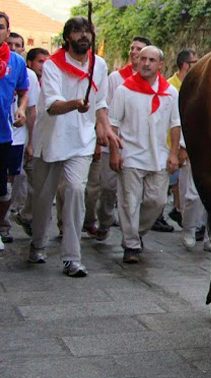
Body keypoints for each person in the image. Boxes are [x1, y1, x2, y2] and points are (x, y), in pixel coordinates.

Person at [29, 16, 119, 277]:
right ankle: (37, 244)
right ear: (67, 37)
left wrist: (103, 126)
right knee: (43, 199)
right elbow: (53, 104)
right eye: (77, 31)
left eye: (87, 31)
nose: (83, 36)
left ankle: (72, 258)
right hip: (51, 139)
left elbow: (101, 101)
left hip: (81, 141)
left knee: (75, 190)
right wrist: (76, 104)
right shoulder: (52, 66)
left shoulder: (98, 65)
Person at [109, 45, 180, 264]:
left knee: (157, 201)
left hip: (158, 156)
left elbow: (175, 124)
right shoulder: (124, 90)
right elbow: (113, 124)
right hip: (130, 155)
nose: (146, 63)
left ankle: (136, 232)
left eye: (151, 60)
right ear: (137, 62)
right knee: (129, 201)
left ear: (160, 64)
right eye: (142, 59)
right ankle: (131, 245)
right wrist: (115, 152)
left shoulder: (170, 92)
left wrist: (174, 153)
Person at [84, 35, 152, 241]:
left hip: (136, 145)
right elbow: (105, 109)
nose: (134, 52)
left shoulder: (154, 83)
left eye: (139, 49)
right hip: (114, 140)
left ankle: (132, 232)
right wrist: (103, 136)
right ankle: (104, 221)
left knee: (135, 193)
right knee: (107, 186)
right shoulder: (116, 78)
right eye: (132, 48)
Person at [169, 48, 210, 251]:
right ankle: (189, 228)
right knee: (192, 195)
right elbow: (179, 120)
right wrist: (181, 148)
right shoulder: (176, 89)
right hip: (193, 146)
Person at [2, 33, 39, 245]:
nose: (14, 48)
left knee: (8, 185)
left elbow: (32, 110)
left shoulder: (28, 75)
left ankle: (4, 225)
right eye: (10, 44)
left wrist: (32, 142)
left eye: (18, 45)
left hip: (15, 138)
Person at [0, 13, 30, 253]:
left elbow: (23, 91)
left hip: (3, 133)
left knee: (2, 188)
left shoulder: (17, 63)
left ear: (7, 32)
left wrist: (21, 109)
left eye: (0, 28)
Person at [12, 48, 48, 237]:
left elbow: (32, 111)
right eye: (40, 61)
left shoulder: (33, 78)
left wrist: (33, 141)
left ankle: (26, 215)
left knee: (34, 183)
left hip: (29, 139)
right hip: (13, 137)